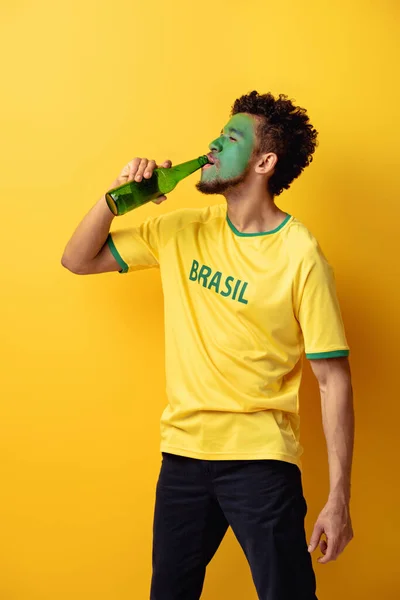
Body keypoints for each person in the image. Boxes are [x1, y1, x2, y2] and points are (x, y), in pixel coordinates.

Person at [62, 90, 354, 600]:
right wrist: (115, 199)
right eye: (219, 133)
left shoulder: (300, 254)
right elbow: (77, 259)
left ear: (265, 162)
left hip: (261, 462)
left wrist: (339, 497)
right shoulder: (180, 228)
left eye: (232, 136)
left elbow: (333, 380)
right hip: (182, 458)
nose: (214, 143)